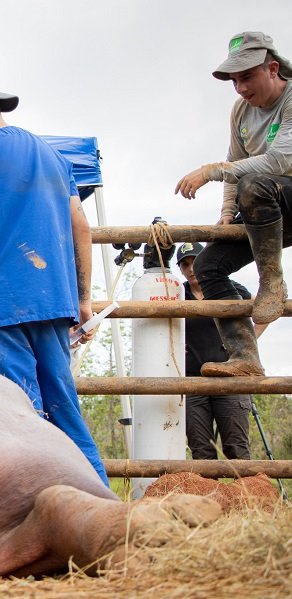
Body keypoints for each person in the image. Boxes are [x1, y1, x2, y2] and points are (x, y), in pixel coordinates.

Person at [0, 72, 108, 486]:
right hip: (52, 302)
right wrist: (83, 298)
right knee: (66, 413)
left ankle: (37, 527)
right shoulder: (52, 155)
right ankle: (109, 517)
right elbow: (81, 227)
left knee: (15, 420)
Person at [175, 32, 292, 376]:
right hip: (263, 211)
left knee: (255, 184)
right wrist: (227, 214)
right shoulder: (241, 111)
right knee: (208, 265)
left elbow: (279, 161)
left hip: (284, 195)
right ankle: (245, 357)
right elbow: (236, 160)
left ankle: (271, 280)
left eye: (247, 77)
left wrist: (212, 172)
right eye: (235, 80)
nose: (240, 88)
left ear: (272, 69)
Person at [176, 242, 265, 459]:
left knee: (237, 447)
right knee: (201, 450)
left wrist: (247, 342)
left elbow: (262, 312)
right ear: (180, 269)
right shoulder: (177, 294)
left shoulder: (226, 287)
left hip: (231, 377)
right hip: (193, 379)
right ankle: (208, 494)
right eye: (184, 264)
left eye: (195, 261)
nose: (190, 269)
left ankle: (245, 493)